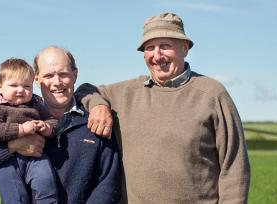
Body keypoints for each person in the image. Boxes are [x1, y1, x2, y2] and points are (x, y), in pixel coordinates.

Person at [77, 12, 251, 203]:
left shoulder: (211, 94)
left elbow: (234, 166)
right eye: (150, 48)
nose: (157, 55)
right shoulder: (125, 94)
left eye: (165, 46)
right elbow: (84, 90)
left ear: (184, 48)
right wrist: (98, 105)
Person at [0, 46, 121, 204]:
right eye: (49, 75)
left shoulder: (96, 121)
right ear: (36, 79)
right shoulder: (20, 114)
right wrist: (12, 146)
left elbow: (107, 186)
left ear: (75, 74)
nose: (57, 82)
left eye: (63, 74)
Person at [0, 58, 59, 204]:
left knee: (46, 185)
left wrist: (47, 127)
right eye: (13, 85)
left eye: (27, 86)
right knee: (14, 196)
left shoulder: (37, 105)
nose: (21, 90)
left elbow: (53, 121)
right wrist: (22, 129)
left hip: (37, 157)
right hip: (7, 162)